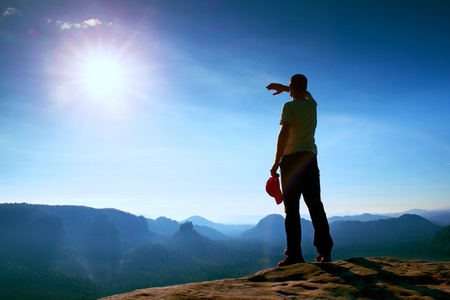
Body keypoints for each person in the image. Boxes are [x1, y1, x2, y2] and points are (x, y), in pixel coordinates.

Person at [267, 74, 333, 267]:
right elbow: (302, 93)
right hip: (310, 160)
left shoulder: (289, 107)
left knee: (292, 209)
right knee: (315, 205)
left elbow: (284, 133)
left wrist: (276, 162)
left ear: (291, 88)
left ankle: (295, 254)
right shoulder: (312, 104)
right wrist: (286, 88)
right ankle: (325, 250)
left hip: (291, 160)